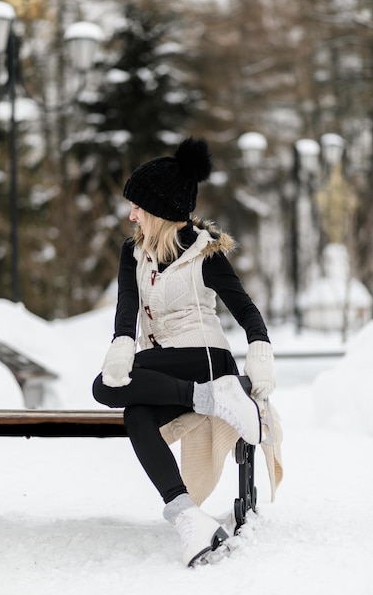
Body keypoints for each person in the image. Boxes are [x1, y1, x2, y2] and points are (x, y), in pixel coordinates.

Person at [92, 137, 276, 567]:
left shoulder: (203, 253)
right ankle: (187, 518)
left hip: (205, 358)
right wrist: (122, 346)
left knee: (107, 387)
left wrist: (260, 349)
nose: (131, 213)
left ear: (160, 209)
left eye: (137, 205)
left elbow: (245, 308)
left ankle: (216, 392)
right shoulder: (132, 252)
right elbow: (126, 309)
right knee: (127, 405)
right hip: (165, 371)